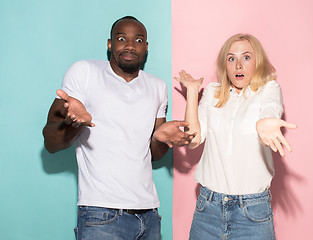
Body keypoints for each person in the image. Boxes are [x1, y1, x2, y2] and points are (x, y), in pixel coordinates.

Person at [43, 16, 195, 240]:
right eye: (122, 38)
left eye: (139, 40)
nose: (131, 45)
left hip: (149, 216)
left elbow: (154, 155)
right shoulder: (85, 72)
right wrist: (76, 123)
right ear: (110, 44)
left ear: (146, 47)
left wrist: (160, 139)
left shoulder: (157, 86)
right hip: (101, 215)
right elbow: (51, 143)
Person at [174, 33, 297, 240]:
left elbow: (270, 110)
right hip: (208, 209)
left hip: (252, 212)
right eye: (231, 58)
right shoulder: (213, 92)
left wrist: (265, 124)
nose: (238, 65)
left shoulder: (269, 89)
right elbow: (193, 140)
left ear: (258, 62)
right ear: (225, 65)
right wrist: (193, 92)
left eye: (246, 57)